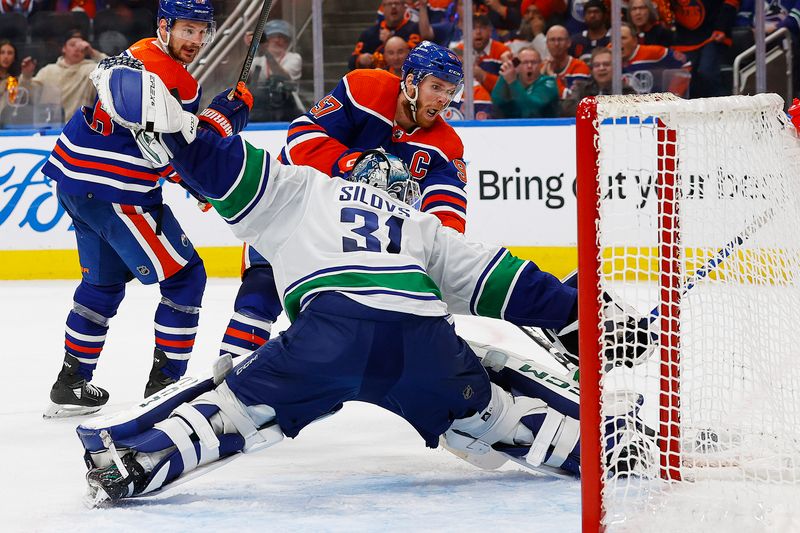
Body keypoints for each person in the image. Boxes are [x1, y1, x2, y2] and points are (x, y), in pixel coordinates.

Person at [75, 61, 656, 503]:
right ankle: (610, 448)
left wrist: (178, 126)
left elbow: (221, 167)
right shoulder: (420, 223)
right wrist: (590, 317)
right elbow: (513, 284)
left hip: (326, 337)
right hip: (421, 341)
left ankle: (138, 459)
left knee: (238, 408)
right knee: (491, 412)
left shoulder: (302, 188)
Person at [217, 41, 470, 360]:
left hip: (353, 231)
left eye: (450, 90)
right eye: (436, 87)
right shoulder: (365, 88)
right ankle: (228, 380)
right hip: (295, 202)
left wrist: (445, 256)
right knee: (260, 290)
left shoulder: (447, 144)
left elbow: (447, 209)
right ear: (410, 81)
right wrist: (354, 164)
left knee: (343, 312)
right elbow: (301, 138)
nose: (444, 99)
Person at [40, 0, 226, 419]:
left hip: (74, 180)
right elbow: (174, 151)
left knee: (103, 285)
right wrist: (224, 120)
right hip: (118, 191)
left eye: (202, 32)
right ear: (165, 25)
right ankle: (166, 387)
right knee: (185, 277)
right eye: (188, 30)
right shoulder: (179, 80)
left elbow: (155, 135)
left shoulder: (136, 51)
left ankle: (70, 381)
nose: (196, 41)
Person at [19, 29, 107, 121]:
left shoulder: (92, 70)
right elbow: (29, 98)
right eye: (72, 45)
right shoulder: (48, 71)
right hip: (51, 129)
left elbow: (113, 71)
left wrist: (92, 52)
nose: (77, 49)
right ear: (63, 48)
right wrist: (26, 76)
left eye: (81, 46)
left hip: (80, 128)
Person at [671, 0, 739, 98]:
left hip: (711, 36)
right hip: (682, 41)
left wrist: (721, 27)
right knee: (681, 77)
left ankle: (721, 105)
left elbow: (731, 2)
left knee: (707, 72)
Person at [247, 19, 303, 123]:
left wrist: (266, 53)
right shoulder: (257, 61)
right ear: (267, 41)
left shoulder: (294, 58)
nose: (277, 40)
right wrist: (250, 49)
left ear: (287, 41)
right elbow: (244, 80)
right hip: (261, 111)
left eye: (281, 37)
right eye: (273, 37)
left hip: (288, 111)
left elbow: (283, 77)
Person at [620, 22, 691, 95]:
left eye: (623, 38)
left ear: (635, 41)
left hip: (655, 104)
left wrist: (673, 93)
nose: (618, 42)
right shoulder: (609, 54)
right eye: (614, 39)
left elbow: (686, 63)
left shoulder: (652, 52)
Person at [561, 47, 636, 116]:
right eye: (597, 65)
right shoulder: (581, 88)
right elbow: (567, 109)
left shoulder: (626, 90)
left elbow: (633, 111)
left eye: (606, 64)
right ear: (592, 70)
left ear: (616, 68)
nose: (601, 68)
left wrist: (591, 108)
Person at [350, 0, 422, 70]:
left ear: (404, 7)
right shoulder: (369, 33)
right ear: (383, 8)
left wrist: (390, 41)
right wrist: (360, 59)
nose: (393, 6)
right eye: (389, 4)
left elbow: (418, 57)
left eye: (397, 3)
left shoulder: (414, 29)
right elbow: (351, 62)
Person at [491, 46, 558, 118]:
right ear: (517, 65)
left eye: (534, 62)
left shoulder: (549, 82)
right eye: (525, 62)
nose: (529, 66)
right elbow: (496, 101)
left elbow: (530, 110)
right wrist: (506, 70)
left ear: (540, 65)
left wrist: (512, 82)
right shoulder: (512, 79)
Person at [457, 13, 511, 93]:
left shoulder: (503, 51)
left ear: (490, 31)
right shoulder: (458, 50)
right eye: (473, 28)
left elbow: (508, 88)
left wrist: (483, 75)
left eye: (482, 28)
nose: (478, 32)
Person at [540, 24, 590, 99]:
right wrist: (540, 77)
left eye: (560, 40)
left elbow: (573, 98)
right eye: (552, 40)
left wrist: (552, 77)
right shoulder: (541, 67)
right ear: (547, 44)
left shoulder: (580, 66)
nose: (556, 44)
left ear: (569, 43)